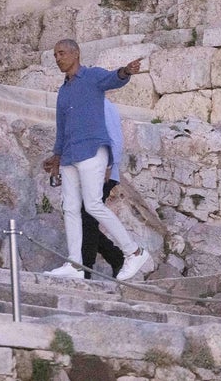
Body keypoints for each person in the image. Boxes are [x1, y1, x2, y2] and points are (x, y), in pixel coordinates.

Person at [42, 39, 150, 281]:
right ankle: (75, 264)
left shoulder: (91, 76)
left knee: (92, 205)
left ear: (75, 53)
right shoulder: (63, 91)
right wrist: (56, 157)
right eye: (54, 54)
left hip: (92, 149)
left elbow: (113, 78)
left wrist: (125, 71)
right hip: (69, 154)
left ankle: (134, 251)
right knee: (69, 207)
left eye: (61, 53)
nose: (57, 58)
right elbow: (62, 127)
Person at [81, 98, 125, 279]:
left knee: (88, 217)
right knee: (80, 216)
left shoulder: (104, 106)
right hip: (85, 172)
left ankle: (85, 269)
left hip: (102, 174)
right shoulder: (82, 105)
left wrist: (109, 165)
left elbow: (116, 139)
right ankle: (114, 256)